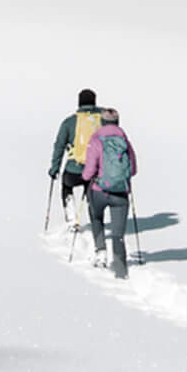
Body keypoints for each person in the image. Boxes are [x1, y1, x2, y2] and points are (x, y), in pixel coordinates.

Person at [81, 106, 138, 278]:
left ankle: (101, 251)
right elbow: (133, 170)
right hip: (121, 193)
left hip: (99, 191)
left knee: (96, 217)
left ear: (102, 122)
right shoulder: (125, 141)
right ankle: (121, 271)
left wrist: (87, 177)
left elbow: (89, 172)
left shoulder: (96, 139)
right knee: (118, 234)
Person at [47, 89, 103, 227]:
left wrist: (55, 168)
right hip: (96, 170)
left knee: (67, 186)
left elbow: (59, 146)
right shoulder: (102, 120)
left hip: (74, 169)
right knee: (92, 194)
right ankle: (96, 223)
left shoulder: (70, 122)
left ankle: (72, 219)